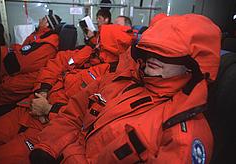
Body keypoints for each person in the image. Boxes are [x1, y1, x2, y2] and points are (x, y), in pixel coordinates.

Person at [29, 13, 221, 163]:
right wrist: (48, 147)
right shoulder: (121, 80)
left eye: (166, 54)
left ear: (190, 66)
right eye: (150, 50)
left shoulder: (181, 136)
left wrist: (70, 153)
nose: (153, 58)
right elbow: (74, 112)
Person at [0, 24, 135, 163]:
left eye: (101, 39)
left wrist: (48, 109)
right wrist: (42, 91)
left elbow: (83, 116)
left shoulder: (108, 80)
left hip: (46, 129)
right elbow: (53, 65)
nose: (96, 41)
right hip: (28, 107)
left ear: (110, 47)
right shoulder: (84, 52)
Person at [0, 13, 62, 106]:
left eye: (43, 19)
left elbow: (19, 63)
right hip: (19, 69)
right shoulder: (40, 34)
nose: (39, 20)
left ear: (47, 24)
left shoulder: (48, 43)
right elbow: (24, 49)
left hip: (20, 78)